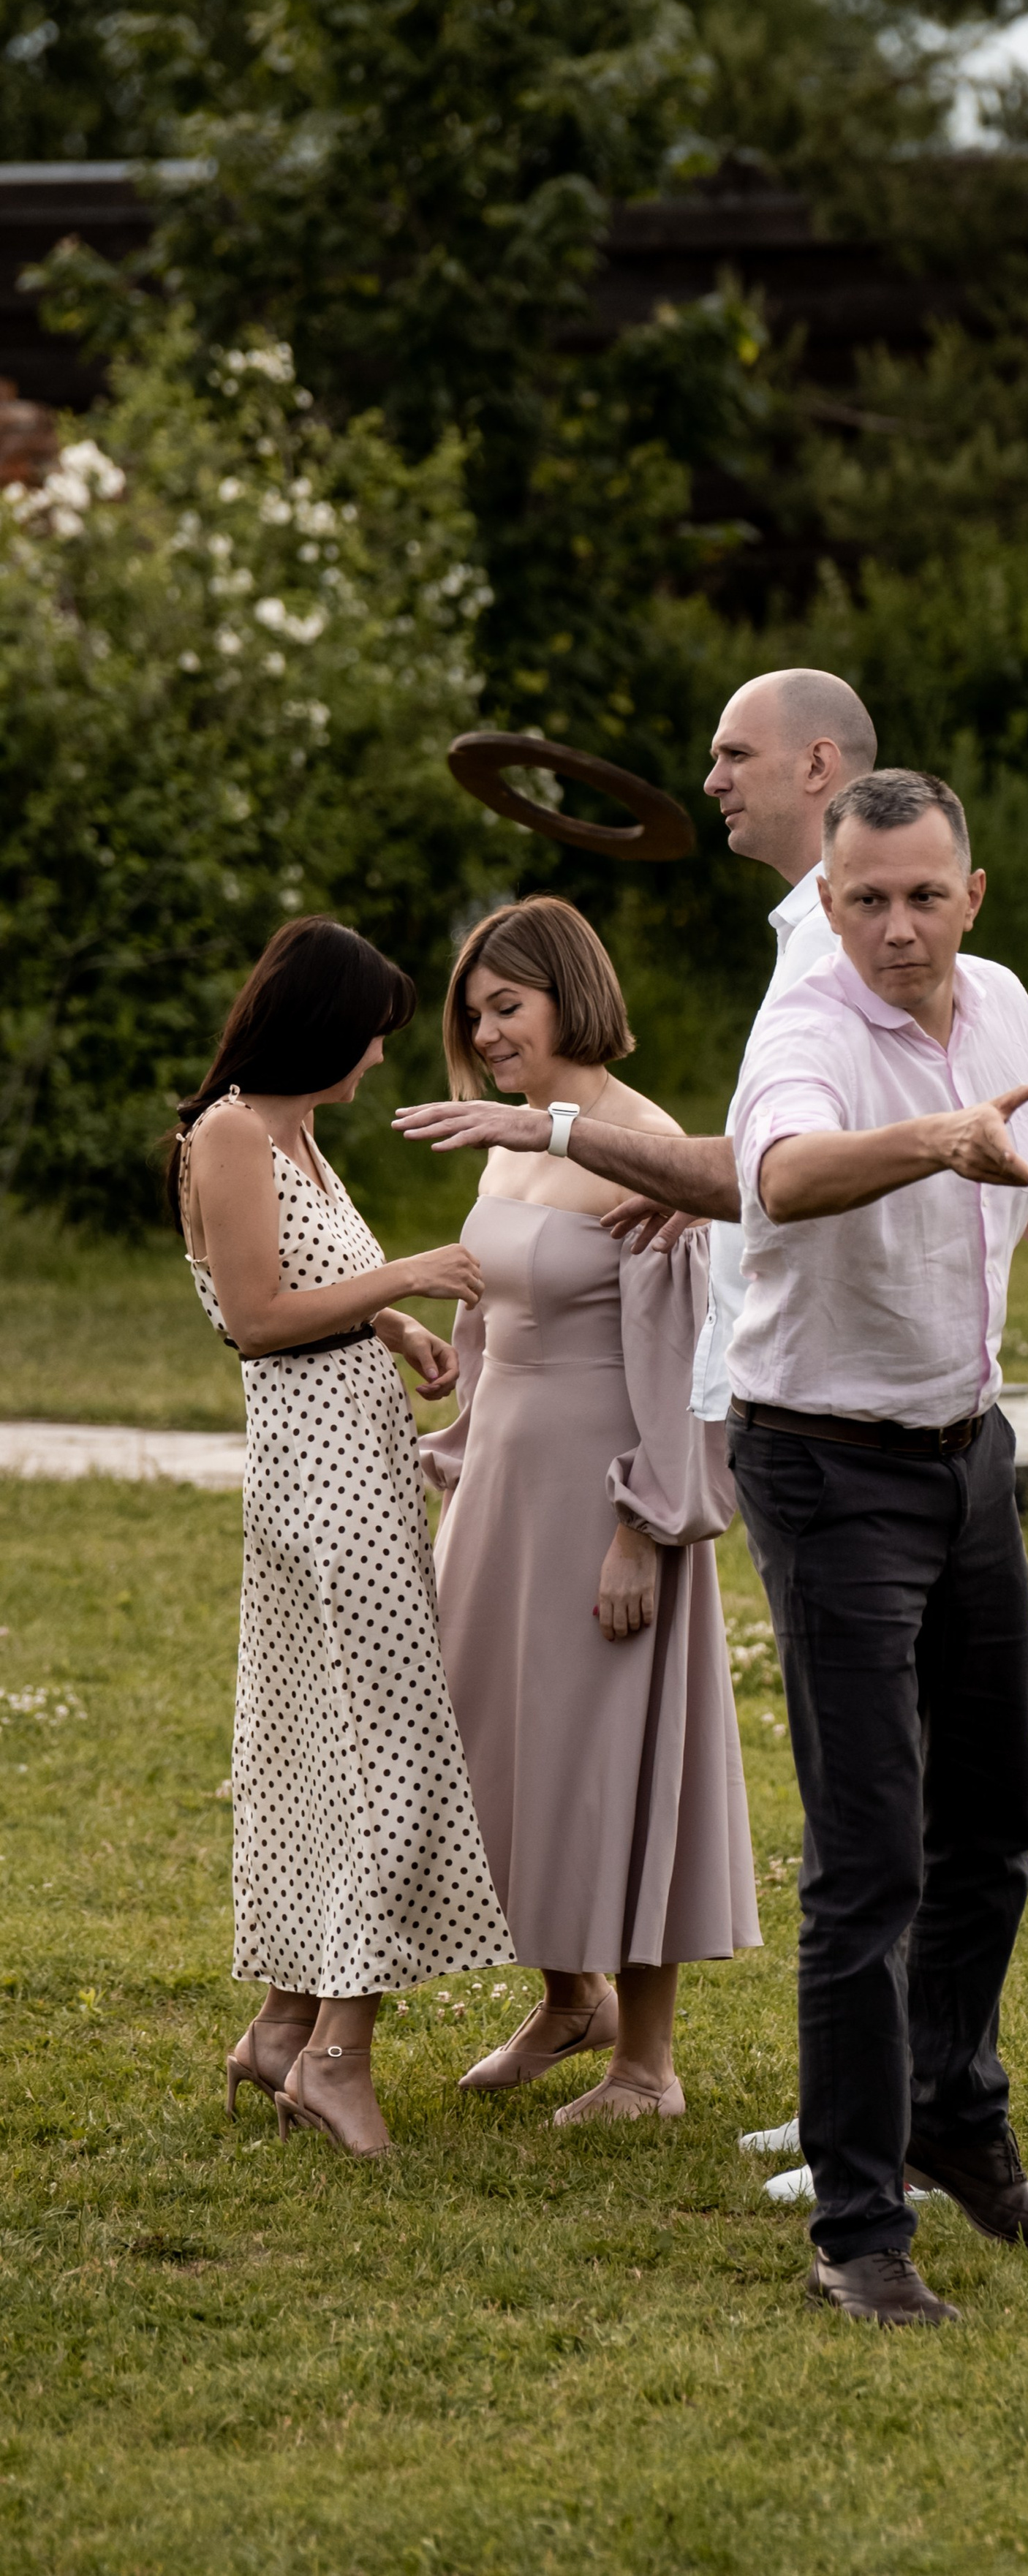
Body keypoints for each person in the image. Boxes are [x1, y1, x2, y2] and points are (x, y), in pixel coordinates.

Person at [725, 768, 1028, 2326]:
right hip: (821, 1463)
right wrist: (929, 1139)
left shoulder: (999, 1008)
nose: (893, 925)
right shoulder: (806, 1027)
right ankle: (857, 2232)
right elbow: (779, 1175)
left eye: (921, 895)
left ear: (972, 893)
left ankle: (955, 2109)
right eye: (863, 896)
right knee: (866, 1854)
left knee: (993, 1815)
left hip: (965, 1458)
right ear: (826, 898)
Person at [171, 917, 513, 2159]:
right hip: (316, 1482)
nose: (381, 1055)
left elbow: (318, 1288)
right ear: (322, 1023)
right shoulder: (226, 1134)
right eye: (372, 1030)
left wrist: (397, 1335)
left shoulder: (299, 1134)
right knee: (395, 1755)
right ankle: (336, 2055)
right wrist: (408, 1278)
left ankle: (279, 2031)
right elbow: (258, 1315)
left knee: (345, 1747)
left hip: (363, 1461)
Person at [418, 898, 760, 2122]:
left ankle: (646, 2063)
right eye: (476, 1012)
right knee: (489, 1745)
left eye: (508, 1004)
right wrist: (454, 1441)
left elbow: (683, 1350)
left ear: (571, 993)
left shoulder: (642, 1138)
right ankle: (571, 1996)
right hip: (507, 1485)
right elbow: (494, 1299)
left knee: (618, 1752)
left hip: (609, 1487)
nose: (488, 1030)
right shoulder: (510, 1138)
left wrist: (644, 1526)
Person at [390, 665, 874, 1283]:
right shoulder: (805, 930)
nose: (711, 781)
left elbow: (787, 1165)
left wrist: (548, 1129)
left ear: (816, 766)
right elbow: (781, 1158)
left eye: (737, 755)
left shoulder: (840, 943)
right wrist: (694, 1183)